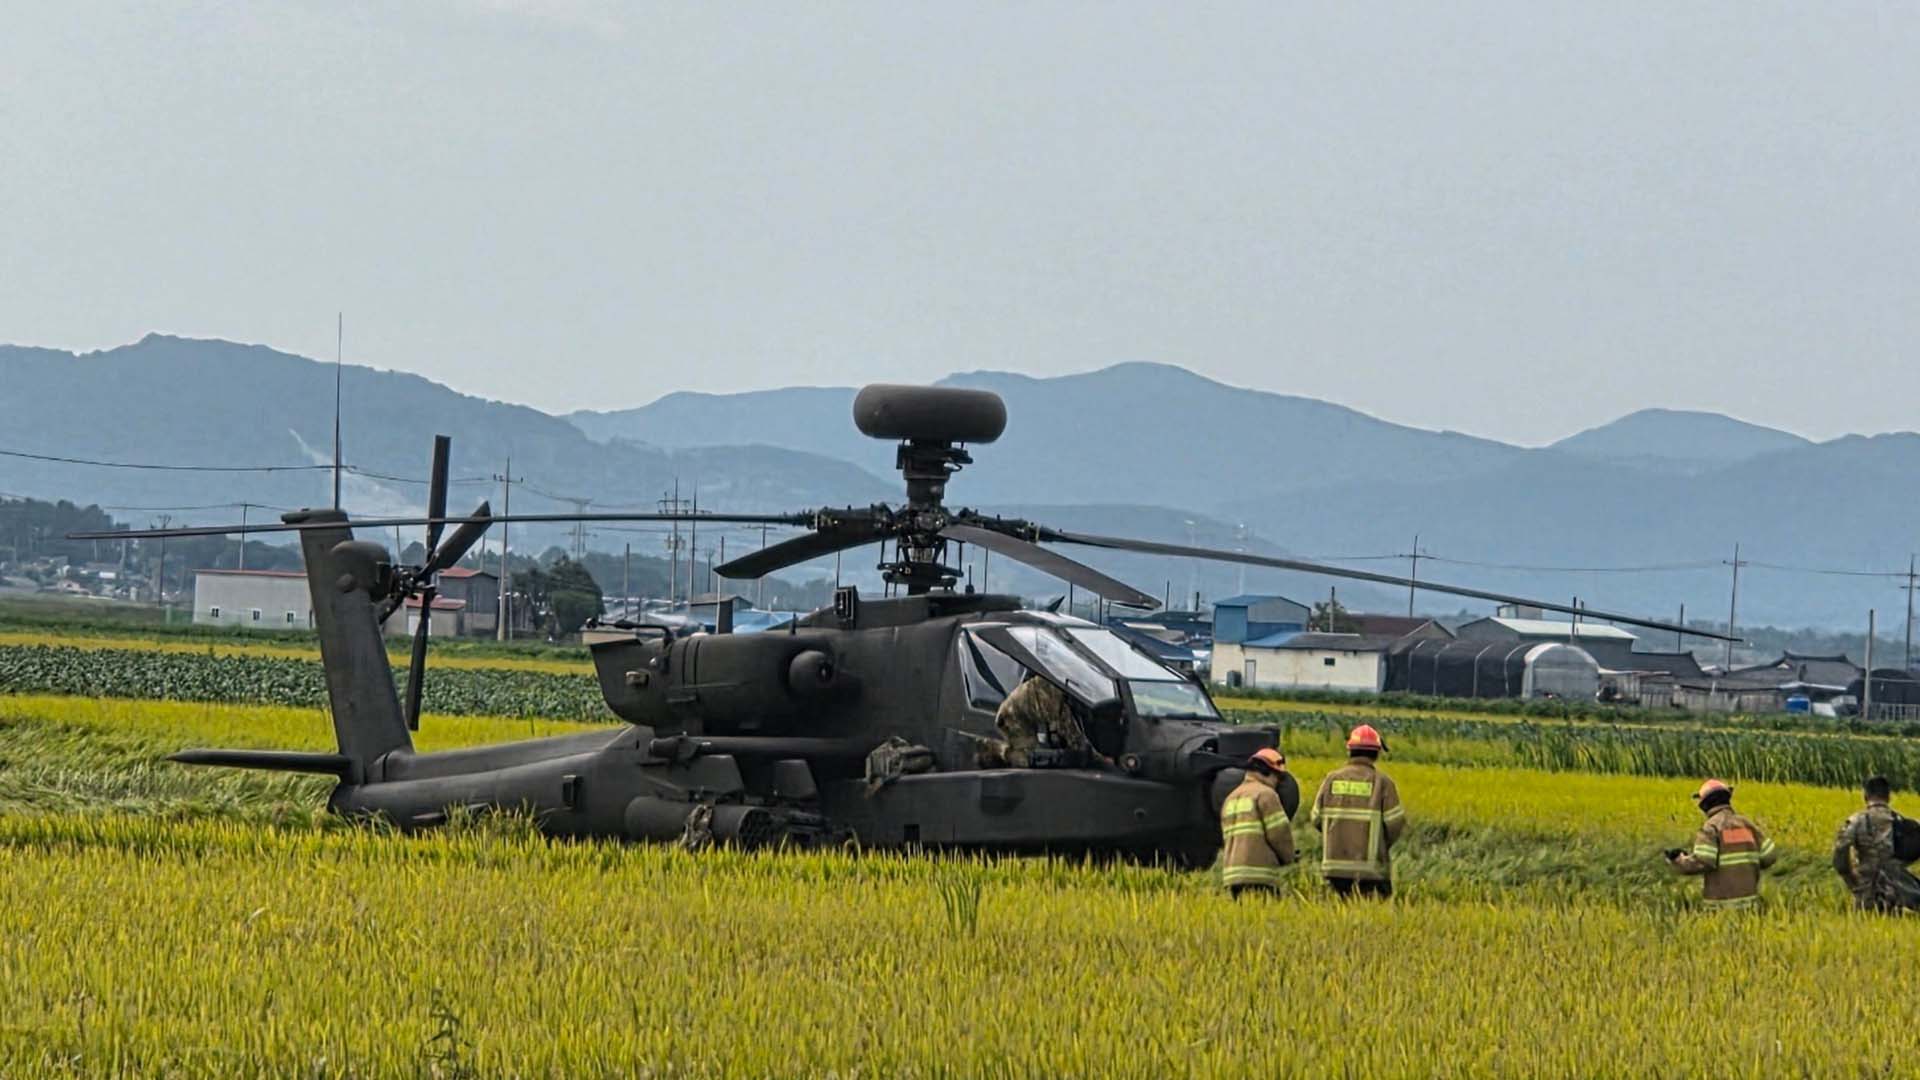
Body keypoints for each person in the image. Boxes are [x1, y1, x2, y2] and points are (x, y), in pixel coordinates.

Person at [1310, 724, 1405, 898]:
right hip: (1371, 869)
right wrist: (1380, 845)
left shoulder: (1331, 779)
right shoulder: (1382, 783)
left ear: (1350, 751)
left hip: (1334, 866)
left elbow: (1316, 819)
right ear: (1376, 754)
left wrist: (1334, 836)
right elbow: (1395, 824)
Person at [1665, 779, 1777, 909]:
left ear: (1704, 805)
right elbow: (1770, 856)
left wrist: (1679, 861)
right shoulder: (1747, 824)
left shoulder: (1711, 828)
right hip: (1750, 904)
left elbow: (1703, 862)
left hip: (1719, 907)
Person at [1831, 775, 1920, 913]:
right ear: (1889, 797)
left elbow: (1840, 852)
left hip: (1867, 891)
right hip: (1901, 891)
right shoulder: (1903, 823)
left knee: (1866, 926)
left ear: (1865, 796)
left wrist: (1852, 879)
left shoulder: (1856, 821)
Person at [1219, 748, 1296, 897]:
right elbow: (1279, 834)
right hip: (1260, 875)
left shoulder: (1231, 798)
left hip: (1232, 876)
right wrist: (1289, 858)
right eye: (1277, 777)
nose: (1277, 782)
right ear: (1267, 772)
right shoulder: (1265, 795)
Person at [991, 671, 1089, 767]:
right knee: (1027, 760)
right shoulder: (1065, 705)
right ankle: (995, 752)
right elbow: (1078, 748)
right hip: (1013, 716)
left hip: (1039, 704)